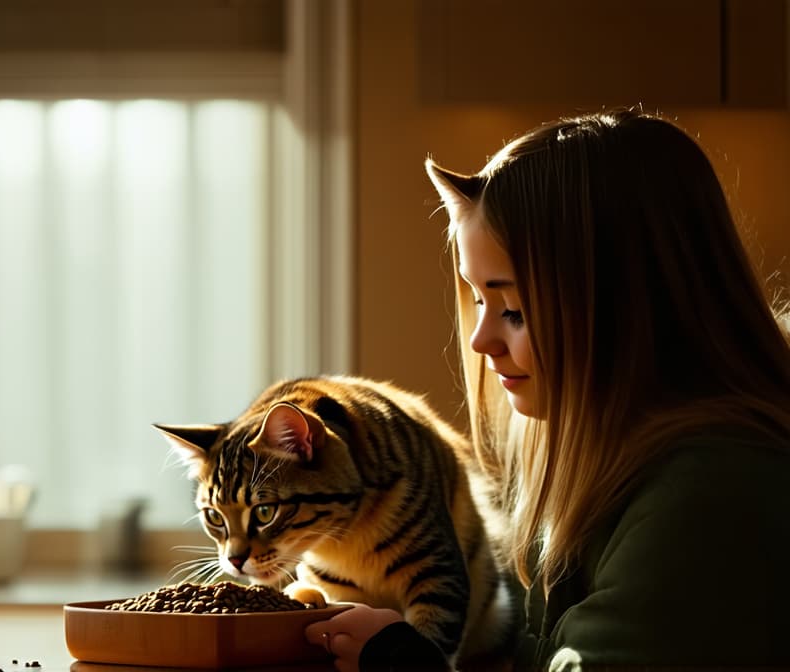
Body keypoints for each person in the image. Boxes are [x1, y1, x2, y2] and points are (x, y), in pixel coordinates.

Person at [304, 108, 790, 670]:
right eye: (480, 300)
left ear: (625, 308)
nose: (481, 340)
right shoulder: (590, 470)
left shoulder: (709, 503)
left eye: (512, 308)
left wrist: (399, 660)